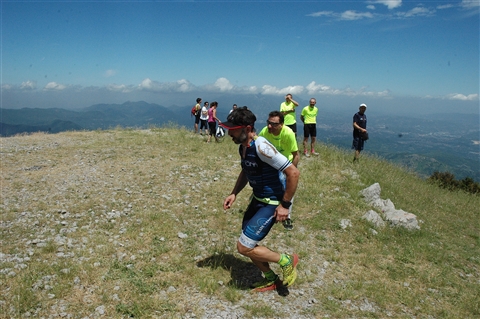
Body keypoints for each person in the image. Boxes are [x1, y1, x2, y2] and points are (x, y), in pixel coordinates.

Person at [220, 106, 300, 293]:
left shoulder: (262, 147)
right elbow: (246, 171)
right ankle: (272, 279)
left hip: (271, 203)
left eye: (233, 129)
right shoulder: (243, 147)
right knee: (248, 242)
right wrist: (234, 193)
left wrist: (284, 206)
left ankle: (286, 260)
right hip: (257, 200)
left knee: (243, 247)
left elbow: (293, 173)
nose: (229, 132)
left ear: (247, 129)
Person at [258, 110, 299, 230]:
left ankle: (287, 215)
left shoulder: (288, 133)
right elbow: (256, 144)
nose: (270, 126)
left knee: (288, 188)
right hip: (270, 163)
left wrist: (291, 172)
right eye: (268, 123)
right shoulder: (265, 131)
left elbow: (295, 154)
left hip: (285, 163)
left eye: (274, 124)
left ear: (281, 124)